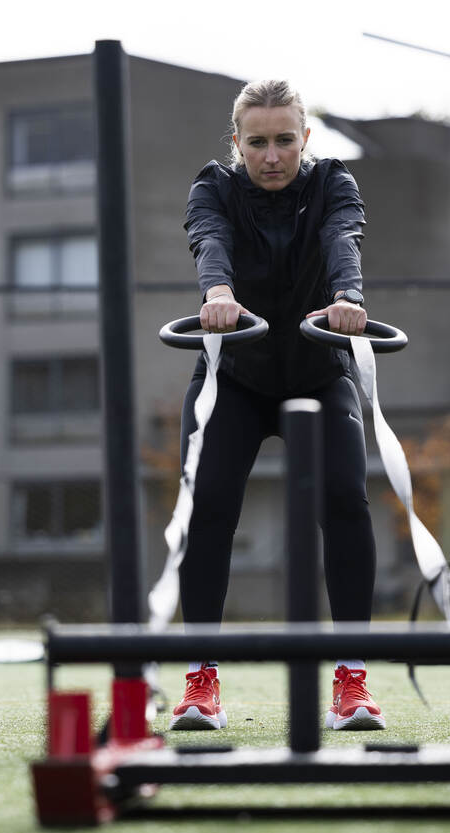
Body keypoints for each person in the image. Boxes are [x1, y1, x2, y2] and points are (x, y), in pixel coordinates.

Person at [168, 79, 384, 732]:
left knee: (346, 500)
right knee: (207, 510)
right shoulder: (215, 186)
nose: (271, 155)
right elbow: (210, 241)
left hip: (319, 371)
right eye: (256, 142)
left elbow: (343, 237)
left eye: (284, 140)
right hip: (234, 375)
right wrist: (220, 292)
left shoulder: (331, 184)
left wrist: (348, 296)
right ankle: (200, 682)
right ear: (237, 143)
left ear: (304, 139)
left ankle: (351, 680)